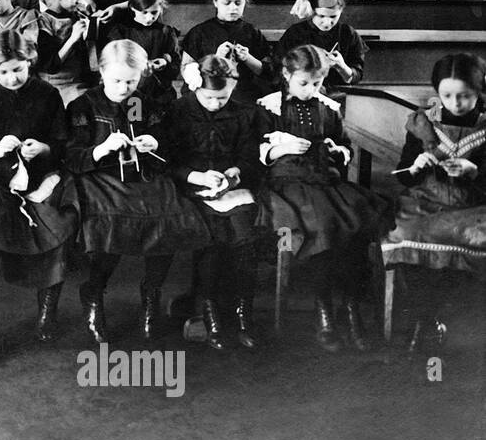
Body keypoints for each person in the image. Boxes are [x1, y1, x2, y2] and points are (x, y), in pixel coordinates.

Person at [66, 39, 211, 344]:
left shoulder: (144, 101)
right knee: (109, 223)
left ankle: (151, 295)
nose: (124, 88)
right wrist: (102, 149)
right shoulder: (84, 105)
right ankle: (93, 293)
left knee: (169, 217)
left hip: (144, 176)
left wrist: (154, 143)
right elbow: (71, 157)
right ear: (101, 72)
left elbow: (170, 147)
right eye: (117, 80)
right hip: (101, 178)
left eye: (131, 81)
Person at [256, 44, 390, 352]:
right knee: (326, 223)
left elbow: (345, 148)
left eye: (316, 83)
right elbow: (258, 152)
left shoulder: (328, 108)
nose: (310, 90)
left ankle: (352, 307)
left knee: (357, 220)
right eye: (303, 83)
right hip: (286, 184)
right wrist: (282, 149)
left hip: (324, 180)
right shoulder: (269, 107)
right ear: (287, 76)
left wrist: (336, 151)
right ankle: (324, 309)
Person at [0, 32, 79, 364]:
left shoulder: (47, 94)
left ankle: (48, 308)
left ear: (30, 62)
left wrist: (42, 148)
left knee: (59, 223)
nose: (12, 78)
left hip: (42, 175)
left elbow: (63, 142)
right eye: (3, 72)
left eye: (18, 70)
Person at [163, 54, 268, 349]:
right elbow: (168, 160)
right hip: (192, 187)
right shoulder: (180, 110)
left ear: (232, 88)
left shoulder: (245, 113)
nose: (215, 104)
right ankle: (210, 314)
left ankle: (243, 313)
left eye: (222, 98)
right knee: (213, 240)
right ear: (196, 89)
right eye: (209, 97)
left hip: (232, 189)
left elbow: (251, 157)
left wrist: (236, 172)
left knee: (246, 239)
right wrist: (196, 176)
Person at [384, 53, 486, 352]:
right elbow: (403, 176)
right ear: (437, 94)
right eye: (447, 95)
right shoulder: (422, 123)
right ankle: (424, 318)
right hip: (427, 201)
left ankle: (452, 320)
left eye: (465, 96)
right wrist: (415, 166)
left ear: (479, 91)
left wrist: (475, 171)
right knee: (405, 234)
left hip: (475, 205)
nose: (455, 103)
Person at [179, 0, 271, 105]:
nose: (233, 8)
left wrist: (248, 58)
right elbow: (187, 70)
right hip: (207, 96)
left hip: (242, 96)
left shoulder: (252, 32)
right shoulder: (199, 32)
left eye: (238, 3)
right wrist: (216, 59)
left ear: (245, 2)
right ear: (215, 1)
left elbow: (267, 72)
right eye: (227, 3)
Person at [274, 0, 366, 100]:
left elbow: (357, 76)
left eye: (333, 17)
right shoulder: (295, 33)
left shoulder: (348, 34)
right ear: (312, 11)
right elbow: (279, 68)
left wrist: (342, 67)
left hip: (337, 93)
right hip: (300, 93)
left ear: (341, 12)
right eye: (321, 16)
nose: (327, 23)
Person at [105, 0, 181, 110]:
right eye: (144, 12)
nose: (149, 18)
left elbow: (175, 65)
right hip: (131, 93)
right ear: (133, 8)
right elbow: (114, 65)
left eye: (154, 12)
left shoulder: (166, 32)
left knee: (160, 124)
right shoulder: (121, 32)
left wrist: (165, 62)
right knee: (135, 123)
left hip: (159, 93)